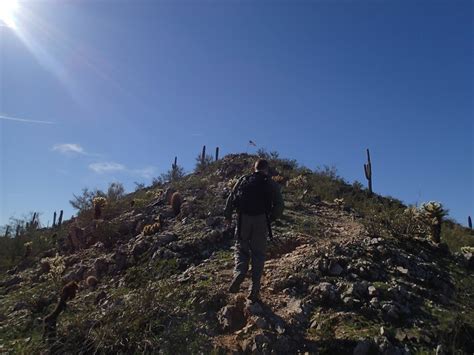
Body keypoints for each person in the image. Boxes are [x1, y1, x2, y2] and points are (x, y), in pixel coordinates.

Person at [224, 158, 284, 301]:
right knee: (258, 254)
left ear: (254, 168)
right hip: (261, 219)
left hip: (243, 218)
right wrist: (271, 218)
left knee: (241, 248)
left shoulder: (244, 179)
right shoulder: (270, 183)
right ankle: (254, 288)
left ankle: (239, 272)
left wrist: (227, 215)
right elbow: (280, 205)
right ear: (266, 169)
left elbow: (231, 197)